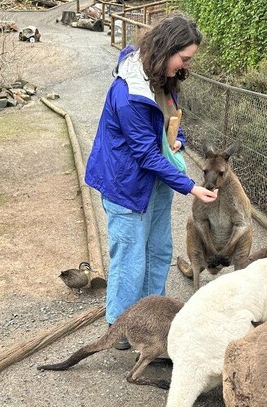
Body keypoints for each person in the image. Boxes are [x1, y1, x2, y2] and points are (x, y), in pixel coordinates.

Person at [85, 15, 217, 350]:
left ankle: (150, 317)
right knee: (130, 256)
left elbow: (173, 120)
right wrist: (189, 185)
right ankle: (120, 322)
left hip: (155, 182)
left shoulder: (162, 79)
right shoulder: (129, 93)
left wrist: (178, 140)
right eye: (183, 58)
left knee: (158, 250)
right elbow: (144, 153)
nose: (185, 65)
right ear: (165, 49)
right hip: (127, 183)